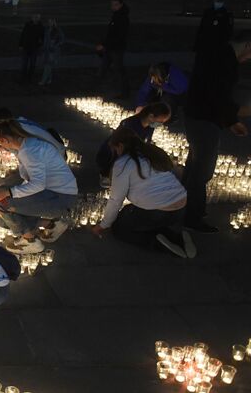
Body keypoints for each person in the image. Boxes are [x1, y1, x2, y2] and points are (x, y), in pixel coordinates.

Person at [182, 31, 251, 233]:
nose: (249, 59)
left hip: (197, 115)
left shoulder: (217, 53)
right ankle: (191, 218)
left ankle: (183, 206)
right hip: (204, 120)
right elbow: (218, 97)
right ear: (247, 44)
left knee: (193, 165)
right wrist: (239, 114)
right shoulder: (224, 62)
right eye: (250, 53)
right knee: (202, 171)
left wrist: (231, 121)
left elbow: (215, 94)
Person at [91, 128, 196, 258]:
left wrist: (103, 225)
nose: (116, 153)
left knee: (120, 229)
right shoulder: (152, 155)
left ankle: (157, 243)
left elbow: (115, 200)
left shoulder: (123, 163)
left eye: (115, 149)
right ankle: (176, 236)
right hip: (181, 208)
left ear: (121, 146)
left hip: (157, 212)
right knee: (131, 212)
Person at [0, 120, 78, 254]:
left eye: (0, 142)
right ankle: (51, 224)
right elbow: (13, 149)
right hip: (53, 193)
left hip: (61, 198)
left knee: (1, 205)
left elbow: (38, 184)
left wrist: (9, 192)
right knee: (3, 221)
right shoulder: (27, 143)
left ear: (5, 139)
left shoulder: (30, 152)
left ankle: (30, 242)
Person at [95, 102, 172, 187]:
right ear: (151, 116)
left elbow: (145, 143)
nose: (161, 124)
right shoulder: (129, 125)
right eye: (160, 121)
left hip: (131, 153)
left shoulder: (149, 127)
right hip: (112, 155)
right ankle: (107, 174)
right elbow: (118, 147)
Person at [0, 108, 66, 158]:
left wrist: (1, 147)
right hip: (58, 149)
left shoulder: (18, 129)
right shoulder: (20, 121)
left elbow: (18, 149)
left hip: (56, 157)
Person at [97, 0, 131, 99]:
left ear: (121, 4)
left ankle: (124, 92)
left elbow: (118, 35)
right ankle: (103, 89)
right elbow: (110, 33)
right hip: (111, 47)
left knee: (118, 70)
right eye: (112, 4)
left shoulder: (122, 17)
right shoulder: (116, 15)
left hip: (116, 48)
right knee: (106, 68)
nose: (113, 7)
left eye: (115, 4)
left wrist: (104, 45)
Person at [19, 14, 44, 84]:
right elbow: (23, 34)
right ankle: (23, 78)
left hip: (34, 48)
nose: (35, 18)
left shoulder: (40, 27)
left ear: (39, 18)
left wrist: (39, 45)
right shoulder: (28, 25)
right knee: (24, 64)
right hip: (26, 47)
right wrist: (20, 44)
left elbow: (42, 38)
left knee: (32, 64)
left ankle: (29, 77)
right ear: (32, 18)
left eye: (37, 17)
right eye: (34, 17)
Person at [39, 18, 65, 86]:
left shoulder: (57, 30)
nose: (50, 23)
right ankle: (49, 79)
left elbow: (62, 39)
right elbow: (44, 39)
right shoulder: (46, 29)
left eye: (51, 22)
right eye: (49, 22)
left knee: (48, 66)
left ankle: (43, 80)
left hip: (53, 51)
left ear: (54, 22)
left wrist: (55, 44)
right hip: (46, 50)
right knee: (47, 65)